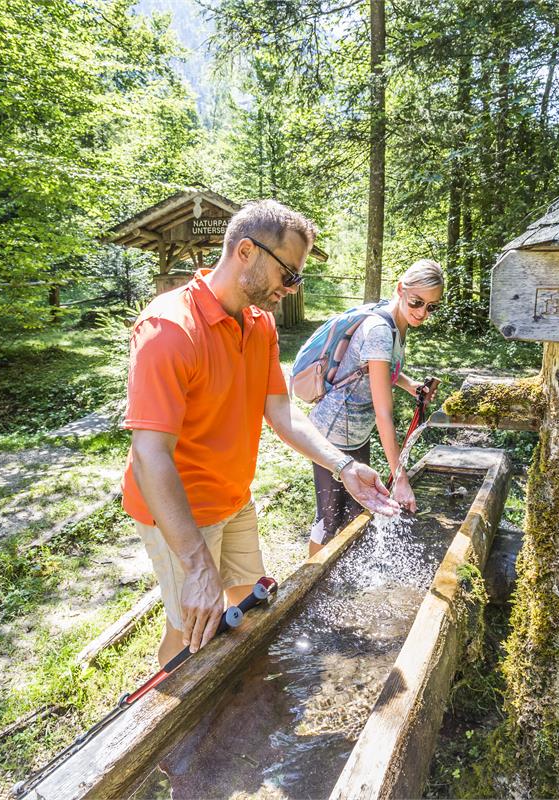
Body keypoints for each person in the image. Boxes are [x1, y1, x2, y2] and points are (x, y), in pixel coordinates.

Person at [122, 200, 399, 666]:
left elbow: (281, 412)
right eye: (289, 274)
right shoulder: (168, 328)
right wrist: (195, 564)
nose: (290, 290)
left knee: (250, 599)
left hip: (234, 498)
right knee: (193, 628)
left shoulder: (260, 323)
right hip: (181, 512)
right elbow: (150, 455)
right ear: (246, 251)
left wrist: (345, 466)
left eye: (298, 279)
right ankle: (157, 712)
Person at [306, 259, 445, 554]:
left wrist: (409, 385)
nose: (422, 312)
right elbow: (384, 413)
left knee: (355, 515)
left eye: (432, 306)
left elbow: (379, 367)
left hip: (356, 432)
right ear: (400, 289)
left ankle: (336, 579)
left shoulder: (397, 324)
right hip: (331, 432)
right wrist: (402, 478)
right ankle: (308, 584)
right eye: (417, 302)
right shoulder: (380, 330)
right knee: (329, 520)